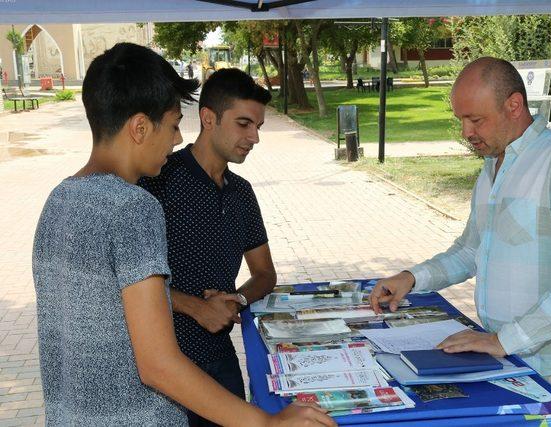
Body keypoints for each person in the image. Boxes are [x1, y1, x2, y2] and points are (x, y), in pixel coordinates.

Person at [33, 42, 334, 427]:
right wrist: (268, 422)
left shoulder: (58, 200)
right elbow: (158, 366)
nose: (177, 139)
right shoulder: (133, 207)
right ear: (140, 127)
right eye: (174, 125)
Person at [370, 57, 551, 427]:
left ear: (513, 105)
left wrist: (503, 341)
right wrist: (411, 278)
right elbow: (469, 250)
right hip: (507, 354)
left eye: (475, 119)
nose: (466, 131)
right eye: (461, 120)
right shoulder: (492, 167)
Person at [138, 68, 277, 426]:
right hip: (162, 363)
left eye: (258, 127)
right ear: (209, 118)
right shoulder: (159, 180)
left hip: (219, 355)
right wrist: (197, 307)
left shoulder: (241, 192)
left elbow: (264, 273)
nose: (254, 137)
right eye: (244, 124)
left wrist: (237, 301)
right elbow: (122, 283)